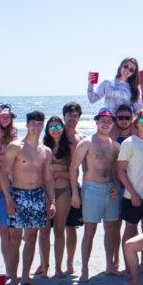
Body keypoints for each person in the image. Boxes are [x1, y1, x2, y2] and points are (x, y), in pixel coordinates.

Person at [0, 111, 56, 285]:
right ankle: (14, 279)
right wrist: (9, 199)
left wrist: (51, 201)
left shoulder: (45, 150)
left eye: (40, 124)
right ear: (27, 125)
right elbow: (3, 174)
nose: (37, 127)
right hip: (18, 195)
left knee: (32, 237)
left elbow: (48, 178)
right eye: (33, 124)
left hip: (37, 196)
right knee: (16, 239)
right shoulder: (16, 146)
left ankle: (25, 277)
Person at [70, 108, 121, 282]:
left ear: (113, 124)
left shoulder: (115, 145)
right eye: (102, 120)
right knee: (90, 229)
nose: (106, 123)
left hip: (110, 189)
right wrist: (75, 194)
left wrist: (118, 185)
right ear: (97, 122)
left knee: (111, 228)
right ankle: (84, 269)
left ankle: (109, 265)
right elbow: (73, 168)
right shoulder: (87, 142)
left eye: (109, 121)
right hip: (91, 189)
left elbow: (118, 170)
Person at [117, 109, 143, 276]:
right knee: (130, 230)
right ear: (136, 122)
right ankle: (129, 267)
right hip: (132, 196)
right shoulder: (129, 142)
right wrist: (133, 193)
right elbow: (120, 170)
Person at [41, 116, 73, 277]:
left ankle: (58, 268)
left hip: (63, 191)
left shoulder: (69, 148)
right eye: (52, 127)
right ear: (47, 130)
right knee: (44, 231)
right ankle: (45, 266)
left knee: (60, 230)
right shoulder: (42, 147)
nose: (55, 129)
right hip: (45, 193)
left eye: (58, 126)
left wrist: (57, 172)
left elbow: (74, 173)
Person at [62, 102, 85, 274]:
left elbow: (86, 167)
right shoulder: (55, 134)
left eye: (75, 115)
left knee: (71, 228)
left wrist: (81, 192)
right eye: (69, 115)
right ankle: (44, 263)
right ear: (64, 116)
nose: (72, 118)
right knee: (47, 229)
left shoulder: (81, 139)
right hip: (55, 185)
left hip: (73, 187)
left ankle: (69, 263)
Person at [0, 119, 10, 282]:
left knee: (6, 234)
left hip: (4, 196)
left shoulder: (8, 150)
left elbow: (9, 167)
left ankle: (9, 270)